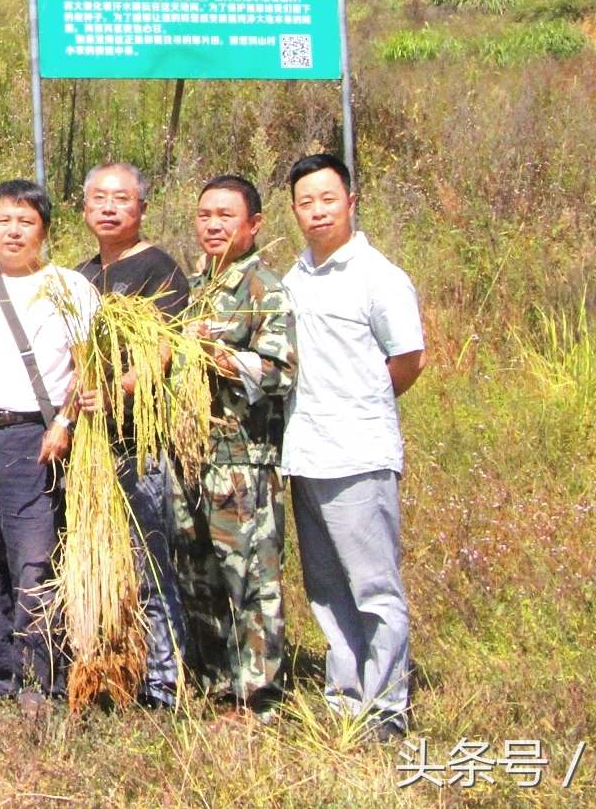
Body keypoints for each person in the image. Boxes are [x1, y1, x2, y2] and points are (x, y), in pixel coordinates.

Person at [280, 153, 426, 741]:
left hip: (359, 455)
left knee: (373, 586)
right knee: (325, 588)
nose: (317, 211)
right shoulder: (292, 278)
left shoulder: (379, 277)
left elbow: (408, 360)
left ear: (350, 201)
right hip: (305, 455)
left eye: (327, 199)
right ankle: (345, 697)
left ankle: (387, 707)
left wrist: (361, 406)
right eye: (306, 202)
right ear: (294, 210)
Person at [0, 178, 96, 713]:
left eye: (26, 222)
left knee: (35, 561)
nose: (14, 231)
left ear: (45, 231)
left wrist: (64, 425)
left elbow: (87, 366)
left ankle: (42, 679)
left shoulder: (71, 287)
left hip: (35, 437)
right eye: (4, 221)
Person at [72, 162, 191, 709]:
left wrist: (119, 388)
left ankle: (165, 683)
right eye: (99, 197)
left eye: (122, 198)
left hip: (138, 440)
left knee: (151, 562)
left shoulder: (159, 268)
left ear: (141, 208)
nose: (110, 207)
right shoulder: (79, 276)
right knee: (101, 560)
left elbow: (164, 348)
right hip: (88, 446)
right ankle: (112, 675)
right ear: (84, 207)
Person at [177, 174, 295, 718]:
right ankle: (214, 683)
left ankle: (260, 695)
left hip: (241, 460)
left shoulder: (263, 288)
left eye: (226, 216)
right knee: (198, 574)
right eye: (205, 215)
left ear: (254, 224)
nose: (214, 225)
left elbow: (279, 372)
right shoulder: (191, 284)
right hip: (189, 455)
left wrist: (220, 355)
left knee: (250, 579)